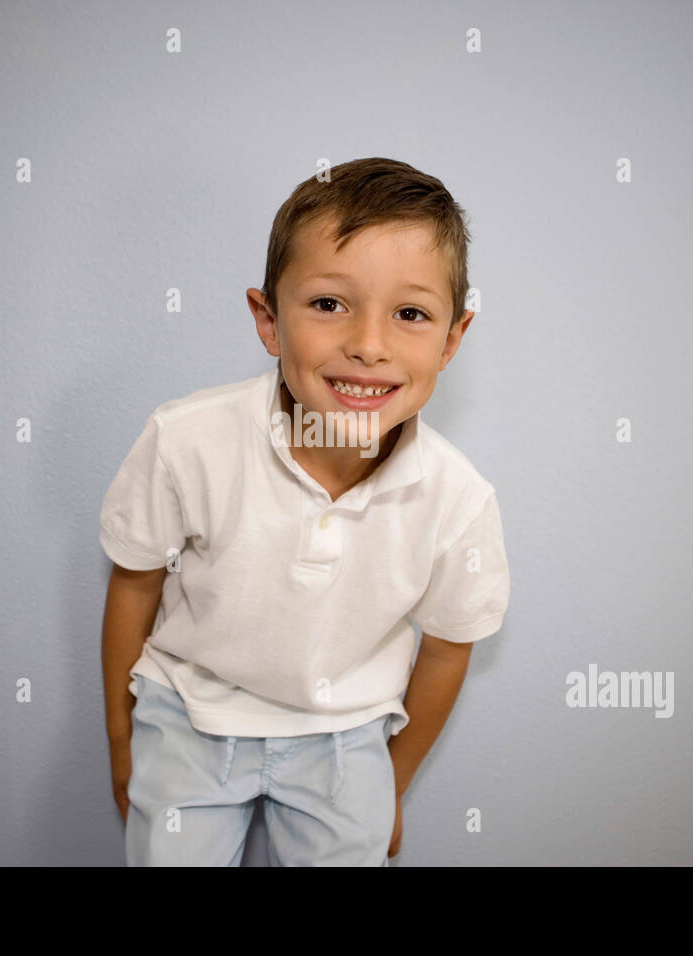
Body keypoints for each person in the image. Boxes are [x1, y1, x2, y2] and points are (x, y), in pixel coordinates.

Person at [99, 157, 511, 866]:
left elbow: (449, 645)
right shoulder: (187, 440)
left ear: (451, 339)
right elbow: (135, 578)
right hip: (188, 719)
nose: (369, 345)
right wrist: (120, 737)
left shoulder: (457, 498)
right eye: (329, 304)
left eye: (410, 314)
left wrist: (392, 778)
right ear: (268, 319)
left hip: (347, 741)